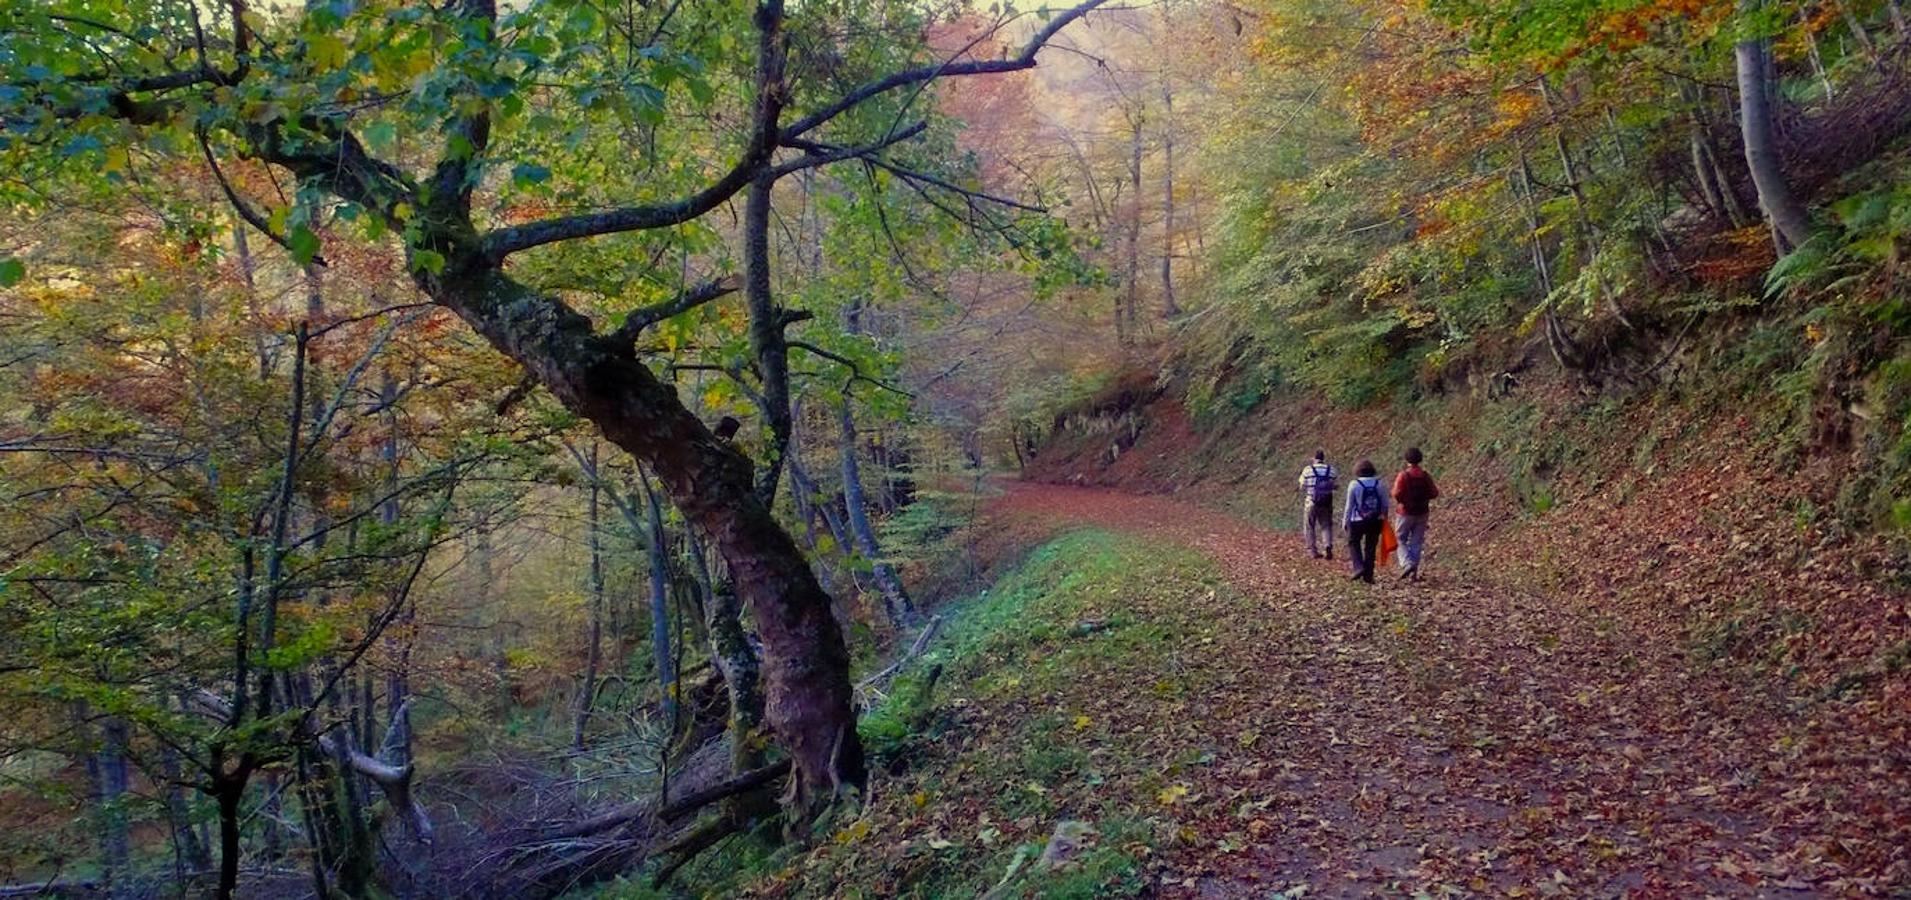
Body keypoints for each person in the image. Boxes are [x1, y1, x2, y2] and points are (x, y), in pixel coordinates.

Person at [1391, 446, 1440, 581]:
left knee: (1400, 539)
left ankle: (1407, 563)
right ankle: (1414, 573)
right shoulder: (1425, 475)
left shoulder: (1403, 475)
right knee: (1416, 542)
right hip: (1422, 512)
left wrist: (1403, 501)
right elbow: (1434, 493)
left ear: (1406, 459)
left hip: (1405, 512)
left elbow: (1396, 493)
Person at [1342, 459, 1389, 583]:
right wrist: (1385, 518)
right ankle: (1369, 575)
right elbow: (1385, 504)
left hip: (1357, 520)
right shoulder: (1380, 484)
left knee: (1353, 542)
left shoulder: (1354, 484)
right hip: (1376, 520)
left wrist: (1345, 521)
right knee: (1371, 547)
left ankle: (1358, 567)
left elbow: (1349, 505)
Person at [1297, 450, 1337, 560]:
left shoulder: (1308, 470)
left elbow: (1302, 486)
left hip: (1311, 501)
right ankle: (1327, 545)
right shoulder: (1331, 470)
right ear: (1324, 458)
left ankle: (1313, 551)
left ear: (1313, 458)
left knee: (1309, 525)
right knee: (1326, 525)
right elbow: (1335, 485)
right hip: (1326, 502)